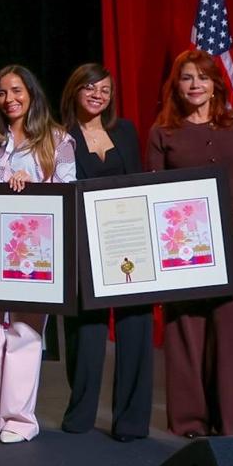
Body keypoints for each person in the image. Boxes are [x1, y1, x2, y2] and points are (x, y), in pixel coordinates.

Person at [146, 49, 233, 437]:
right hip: (183, 237)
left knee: (230, 326)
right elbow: (152, 192)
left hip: (232, 232)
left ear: (216, 83)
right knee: (185, 325)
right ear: (176, 86)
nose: (195, 85)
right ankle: (190, 421)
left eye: (202, 77)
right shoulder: (163, 132)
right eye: (186, 77)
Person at [0, 65, 76, 444]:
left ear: (32, 93)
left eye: (17, 91)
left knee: (25, 333)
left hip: (32, 255)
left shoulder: (57, 140)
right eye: (3, 93)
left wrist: (35, 187)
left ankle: (19, 420)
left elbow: (67, 194)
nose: (10, 99)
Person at [58, 63, 153, 441]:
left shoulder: (125, 131)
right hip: (81, 245)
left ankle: (130, 422)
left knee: (135, 327)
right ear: (75, 91)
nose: (98, 95)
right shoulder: (58, 134)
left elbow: (142, 184)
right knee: (87, 334)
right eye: (90, 88)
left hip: (127, 243)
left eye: (105, 90)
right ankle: (80, 414)